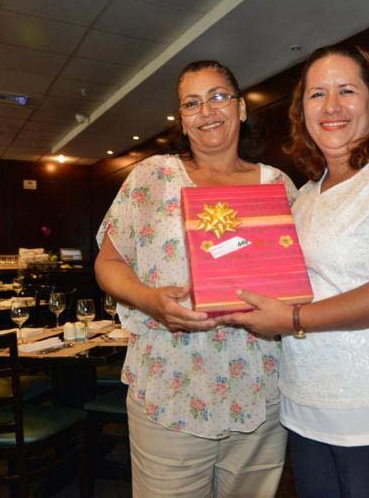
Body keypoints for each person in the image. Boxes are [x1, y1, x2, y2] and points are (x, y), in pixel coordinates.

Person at [221, 44, 369, 497]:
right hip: (307, 409)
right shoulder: (306, 195)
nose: (331, 106)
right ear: (301, 112)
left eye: (347, 90)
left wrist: (293, 319)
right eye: (317, 94)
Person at [94, 60, 297, 497]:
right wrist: (148, 299)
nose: (207, 111)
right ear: (182, 120)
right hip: (172, 381)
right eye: (192, 103)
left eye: (218, 96)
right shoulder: (152, 177)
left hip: (258, 385)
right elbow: (108, 262)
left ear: (240, 107)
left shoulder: (277, 185)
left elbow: (299, 273)